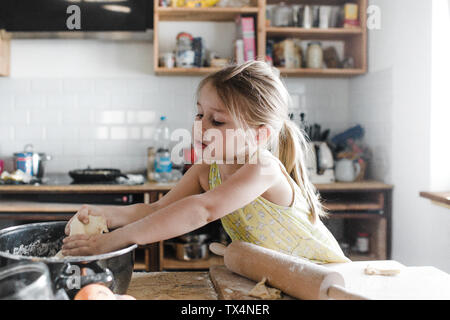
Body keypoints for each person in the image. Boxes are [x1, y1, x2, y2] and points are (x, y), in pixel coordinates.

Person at [61, 61, 350, 264]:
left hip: (321, 276)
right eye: (200, 115)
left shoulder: (263, 169)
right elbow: (157, 209)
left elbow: (202, 210)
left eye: (218, 120)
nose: (201, 126)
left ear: (260, 134)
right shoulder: (206, 170)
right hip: (279, 276)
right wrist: (104, 216)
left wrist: (115, 240)